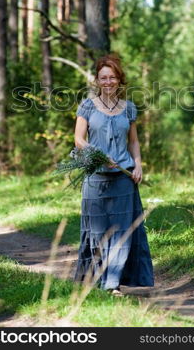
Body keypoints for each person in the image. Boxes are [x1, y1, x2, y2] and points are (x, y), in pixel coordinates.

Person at [73, 53, 154, 295]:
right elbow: (78, 139)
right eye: (103, 78)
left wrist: (138, 164)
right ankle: (97, 280)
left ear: (119, 80)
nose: (108, 82)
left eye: (112, 77)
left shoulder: (128, 108)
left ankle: (112, 283)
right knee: (97, 232)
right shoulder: (87, 106)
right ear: (97, 81)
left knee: (122, 231)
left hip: (123, 177)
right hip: (95, 178)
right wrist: (97, 155)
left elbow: (134, 142)